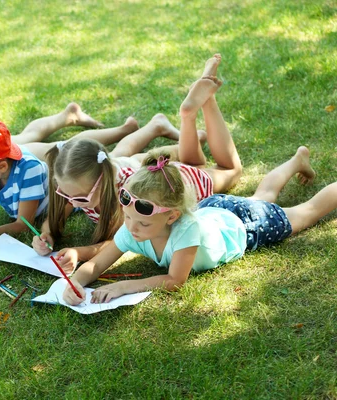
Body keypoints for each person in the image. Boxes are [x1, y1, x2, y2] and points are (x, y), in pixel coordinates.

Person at [62, 124, 329, 306]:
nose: (131, 228)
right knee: (261, 198)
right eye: (128, 218)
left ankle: (297, 162)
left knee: (306, 213)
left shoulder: (186, 230)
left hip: (244, 225)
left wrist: (124, 286)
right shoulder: (135, 224)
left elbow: (175, 280)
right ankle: (296, 162)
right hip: (215, 211)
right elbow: (96, 265)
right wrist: (76, 282)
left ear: (171, 217)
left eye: (142, 223)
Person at [33, 54, 242, 273]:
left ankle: (207, 102)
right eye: (66, 195)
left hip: (182, 182)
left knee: (231, 170)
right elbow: (62, 210)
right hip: (153, 173)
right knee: (192, 161)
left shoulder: (126, 198)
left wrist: (80, 252)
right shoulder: (84, 179)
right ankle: (186, 118)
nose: (73, 204)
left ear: (102, 181)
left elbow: (123, 242)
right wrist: (46, 233)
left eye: (80, 198)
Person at [0, 109, 184, 251]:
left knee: (139, 159)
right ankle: (150, 127)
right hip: (89, 168)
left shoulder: (27, 173)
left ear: (1, 166)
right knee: (117, 153)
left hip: (117, 171)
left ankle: (179, 146)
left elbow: (23, 224)